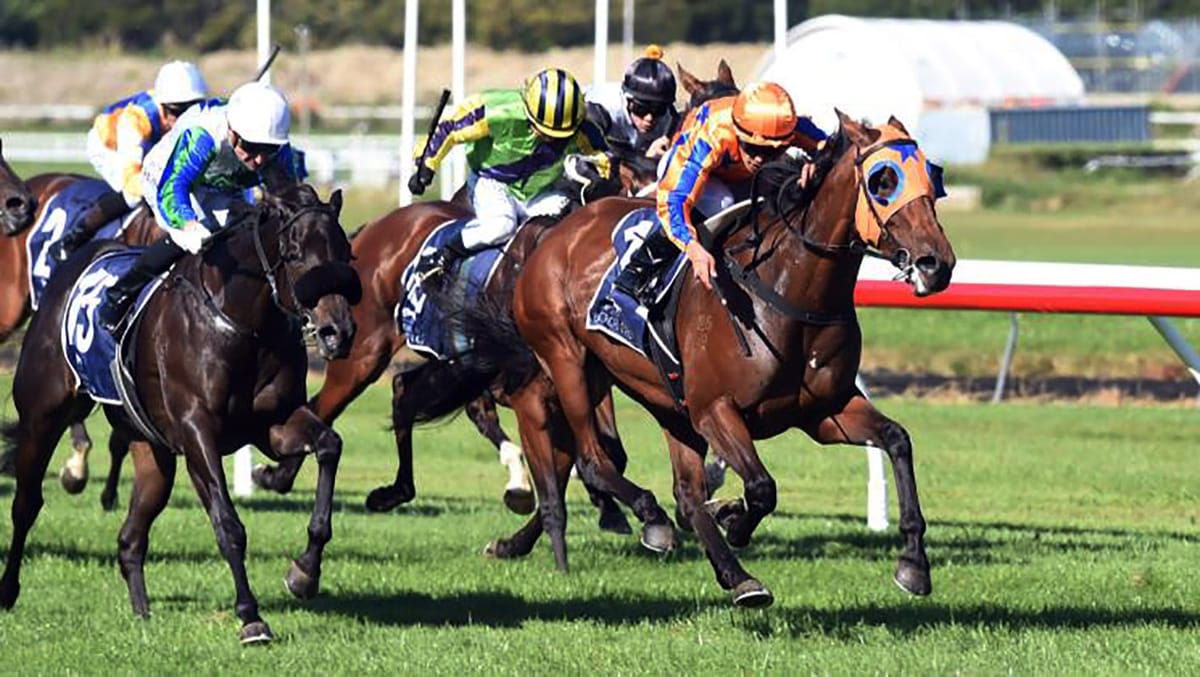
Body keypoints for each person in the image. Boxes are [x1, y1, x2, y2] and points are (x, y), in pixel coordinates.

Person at [98, 81, 305, 334]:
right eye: (251, 148)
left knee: (253, 228)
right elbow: (174, 188)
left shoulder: (278, 149)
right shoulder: (204, 136)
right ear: (232, 131)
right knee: (189, 238)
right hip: (168, 176)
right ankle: (119, 294)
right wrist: (188, 224)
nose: (260, 159)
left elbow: (291, 200)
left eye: (268, 150)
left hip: (223, 184)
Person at [613, 81, 826, 301]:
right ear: (738, 132)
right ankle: (637, 271)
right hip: (685, 166)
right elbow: (674, 200)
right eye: (753, 148)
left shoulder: (786, 125)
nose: (760, 159)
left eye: (771, 151)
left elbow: (832, 148)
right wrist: (693, 248)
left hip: (733, 173)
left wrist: (818, 163)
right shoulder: (713, 135)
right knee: (721, 201)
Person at [408, 67, 614, 278]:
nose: (551, 139)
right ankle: (442, 254)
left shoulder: (582, 128)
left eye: (561, 135)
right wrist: (426, 163)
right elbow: (450, 128)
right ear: (527, 111)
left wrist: (599, 178)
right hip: (492, 182)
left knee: (569, 224)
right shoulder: (499, 110)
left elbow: (604, 158)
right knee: (501, 227)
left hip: (540, 192)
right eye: (542, 131)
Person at [51, 61, 212, 263]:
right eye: (176, 112)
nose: (182, 120)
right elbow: (132, 177)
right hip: (109, 145)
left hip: (154, 143)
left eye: (190, 111)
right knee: (134, 194)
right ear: (162, 106)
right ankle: (73, 238)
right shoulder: (136, 118)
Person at [585, 45, 680, 175]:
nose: (649, 118)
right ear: (627, 100)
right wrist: (645, 159)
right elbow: (594, 153)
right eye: (641, 108)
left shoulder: (670, 119)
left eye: (658, 110)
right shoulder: (603, 108)